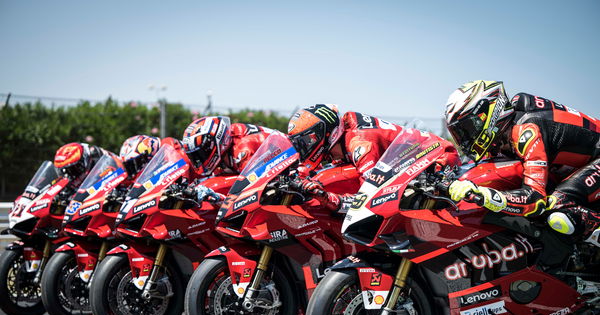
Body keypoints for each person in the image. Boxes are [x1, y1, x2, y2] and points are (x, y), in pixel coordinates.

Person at [445, 80, 600, 246]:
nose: (465, 139)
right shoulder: (508, 129)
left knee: (556, 205)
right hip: (579, 165)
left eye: (467, 129)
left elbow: (535, 200)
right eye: (459, 133)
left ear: (488, 113)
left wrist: (484, 195)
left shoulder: (527, 129)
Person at [288, 104, 460, 212]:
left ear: (325, 133)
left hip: (437, 162)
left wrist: (332, 199)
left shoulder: (360, 144)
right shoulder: (341, 142)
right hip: (407, 167)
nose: (304, 147)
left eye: (307, 140)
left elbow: (370, 198)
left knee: (401, 209)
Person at [181, 116, 277, 202]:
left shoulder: (242, 148)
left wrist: (215, 193)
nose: (198, 160)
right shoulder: (224, 151)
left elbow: (252, 182)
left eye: (200, 154)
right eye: (194, 156)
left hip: (284, 173)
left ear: (214, 143)